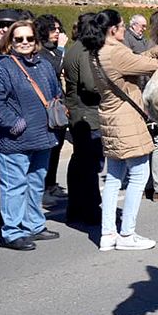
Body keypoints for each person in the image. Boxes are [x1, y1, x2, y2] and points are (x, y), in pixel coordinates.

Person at [85, 9, 158, 251]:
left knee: (114, 178)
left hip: (110, 118)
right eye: (121, 26)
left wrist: (156, 50)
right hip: (127, 120)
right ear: (113, 30)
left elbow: (135, 61)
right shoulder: (115, 52)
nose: (125, 30)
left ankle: (108, 234)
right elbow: (150, 66)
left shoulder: (97, 52)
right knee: (139, 175)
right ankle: (127, 234)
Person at [0, 19, 63, 251]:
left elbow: (57, 92)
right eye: (19, 39)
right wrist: (14, 123)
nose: (25, 42)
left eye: (29, 38)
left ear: (36, 40)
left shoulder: (43, 64)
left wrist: (58, 107)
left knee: (35, 184)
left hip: (43, 136)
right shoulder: (3, 66)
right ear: (10, 42)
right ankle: (11, 232)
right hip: (15, 140)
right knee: (13, 186)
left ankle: (34, 225)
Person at [61, 13, 104, 225]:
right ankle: (90, 208)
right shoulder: (85, 51)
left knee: (79, 162)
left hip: (78, 112)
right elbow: (91, 84)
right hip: (87, 114)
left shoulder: (73, 48)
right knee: (90, 165)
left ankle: (76, 206)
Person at [34, 14, 68, 201]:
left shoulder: (55, 50)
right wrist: (62, 48)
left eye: (58, 29)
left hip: (58, 105)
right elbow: (53, 68)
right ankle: (43, 188)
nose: (57, 33)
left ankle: (52, 184)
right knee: (48, 149)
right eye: (53, 29)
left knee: (57, 146)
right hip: (45, 107)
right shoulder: (41, 51)